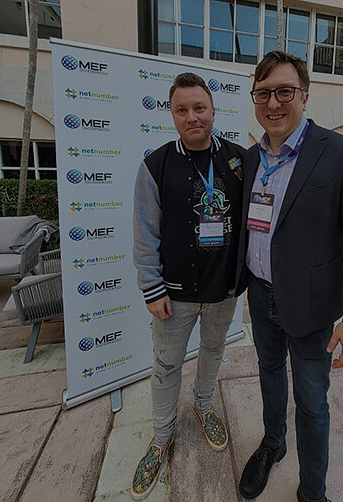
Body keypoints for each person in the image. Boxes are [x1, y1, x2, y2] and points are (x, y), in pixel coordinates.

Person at [235, 51, 343, 502]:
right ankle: (273, 443)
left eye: (284, 91)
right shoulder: (250, 159)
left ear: (305, 95)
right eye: (263, 93)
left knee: (313, 402)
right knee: (268, 372)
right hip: (260, 295)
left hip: (313, 306)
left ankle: (312, 492)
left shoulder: (342, 154)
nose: (273, 103)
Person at [131, 72, 245, 501]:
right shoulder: (156, 166)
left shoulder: (238, 160)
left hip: (224, 290)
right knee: (166, 365)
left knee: (213, 351)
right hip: (174, 294)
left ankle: (203, 406)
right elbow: (145, 232)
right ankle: (161, 437)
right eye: (182, 110)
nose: (192, 116)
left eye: (199, 108)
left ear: (213, 110)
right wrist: (152, 287)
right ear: (172, 114)